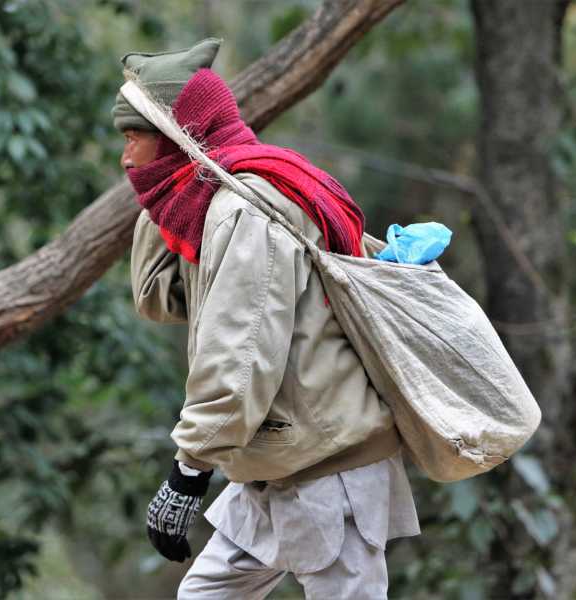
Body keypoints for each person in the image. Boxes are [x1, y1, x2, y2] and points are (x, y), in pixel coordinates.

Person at [113, 37, 419, 599]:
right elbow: (160, 297)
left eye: (136, 136)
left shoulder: (247, 211)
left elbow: (240, 353)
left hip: (330, 466)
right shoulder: (209, 201)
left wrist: (187, 474)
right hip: (272, 461)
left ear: (178, 136)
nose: (126, 157)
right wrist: (158, 196)